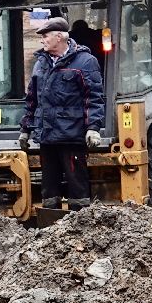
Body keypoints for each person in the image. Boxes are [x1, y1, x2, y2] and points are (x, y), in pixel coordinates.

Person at [22, 16, 105, 209]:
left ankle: (79, 221)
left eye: (45, 36)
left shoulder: (85, 62)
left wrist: (93, 128)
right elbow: (32, 99)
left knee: (77, 186)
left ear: (59, 37)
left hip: (71, 137)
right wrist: (25, 128)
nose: (42, 40)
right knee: (49, 190)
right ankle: (51, 222)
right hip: (47, 137)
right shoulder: (40, 64)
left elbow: (93, 97)